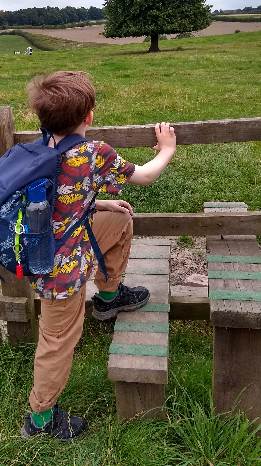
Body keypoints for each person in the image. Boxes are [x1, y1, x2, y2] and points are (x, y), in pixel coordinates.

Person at [20, 71, 176, 441]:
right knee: (57, 342)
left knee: (119, 218)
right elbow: (144, 175)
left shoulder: (39, 149)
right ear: (89, 116)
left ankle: (108, 298)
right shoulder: (93, 153)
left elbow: (61, 199)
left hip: (42, 250)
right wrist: (167, 148)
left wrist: (101, 201)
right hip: (59, 272)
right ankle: (39, 420)